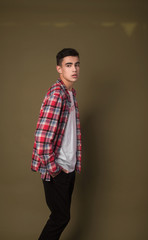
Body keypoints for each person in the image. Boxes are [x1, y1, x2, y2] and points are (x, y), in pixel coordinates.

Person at [31, 48, 82, 240]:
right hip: (57, 168)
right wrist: (55, 169)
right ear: (59, 69)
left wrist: (70, 165)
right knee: (61, 217)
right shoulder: (56, 95)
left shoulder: (70, 94)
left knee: (60, 217)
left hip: (68, 167)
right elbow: (42, 139)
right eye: (68, 65)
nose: (74, 69)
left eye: (76, 64)